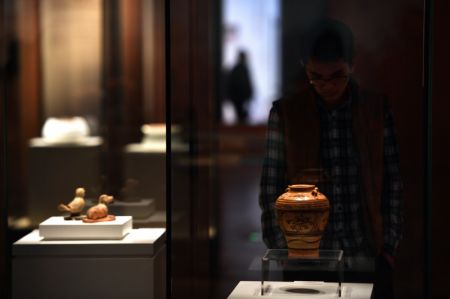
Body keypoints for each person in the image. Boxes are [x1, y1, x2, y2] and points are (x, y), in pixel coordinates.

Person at [258, 18, 403, 299]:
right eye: (316, 77)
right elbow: (270, 186)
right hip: (304, 255)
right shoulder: (286, 114)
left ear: (352, 65)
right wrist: (281, 247)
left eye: (336, 75)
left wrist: (389, 247)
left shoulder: (375, 111)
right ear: (305, 67)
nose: (326, 85)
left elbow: (392, 182)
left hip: (366, 252)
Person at [226, 50, 253, 124]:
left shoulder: (238, 69)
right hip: (240, 97)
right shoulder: (241, 69)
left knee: (241, 116)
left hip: (239, 97)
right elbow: (246, 83)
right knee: (241, 117)